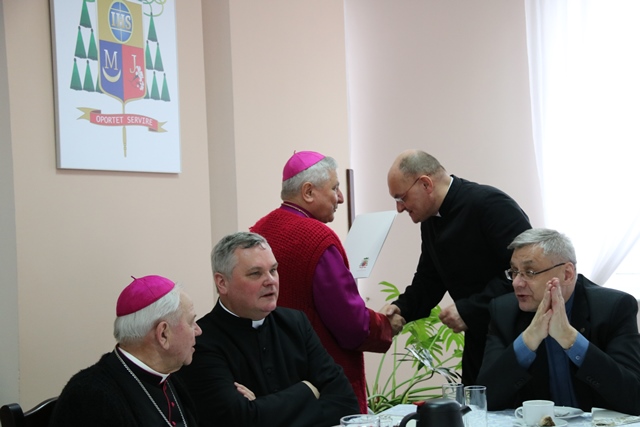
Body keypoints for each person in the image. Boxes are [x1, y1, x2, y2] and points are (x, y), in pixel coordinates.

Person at [250, 150, 404, 413]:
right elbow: (349, 323)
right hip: (320, 384)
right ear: (308, 192)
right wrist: (385, 325)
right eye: (334, 188)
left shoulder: (258, 230)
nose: (340, 197)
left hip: (271, 378)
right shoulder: (317, 239)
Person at [176, 231, 359, 427]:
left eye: (273, 270)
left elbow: (346, 403)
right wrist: (307, 390)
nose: (270, 280)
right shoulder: (201, 341)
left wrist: (259, 408)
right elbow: (236, 421)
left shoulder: (295, 323)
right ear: (222, 283)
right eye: (256, 273)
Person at [383, 149, 531, 384]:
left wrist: (470, 310)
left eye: (401, 198)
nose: (399, 208)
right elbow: (429, 281)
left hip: (519, 338)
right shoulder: (430, 221)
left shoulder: (490, 205)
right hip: (478, 339)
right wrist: (400, 309)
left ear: (425, 184)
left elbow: (525, 274)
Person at [477, 228, 640, 415]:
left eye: (530, 272)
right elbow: (485, 399)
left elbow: (634, 398)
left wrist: (570, 338)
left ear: (567, 274)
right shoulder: (504, 312)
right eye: (514, 272)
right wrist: (528, 339)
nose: (516, 283)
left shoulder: (612, 308)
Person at [50, 275, 202, 427]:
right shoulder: (88, 397)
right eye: (191, 322)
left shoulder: (171, 378)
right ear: (163, 334)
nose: (198, 330)